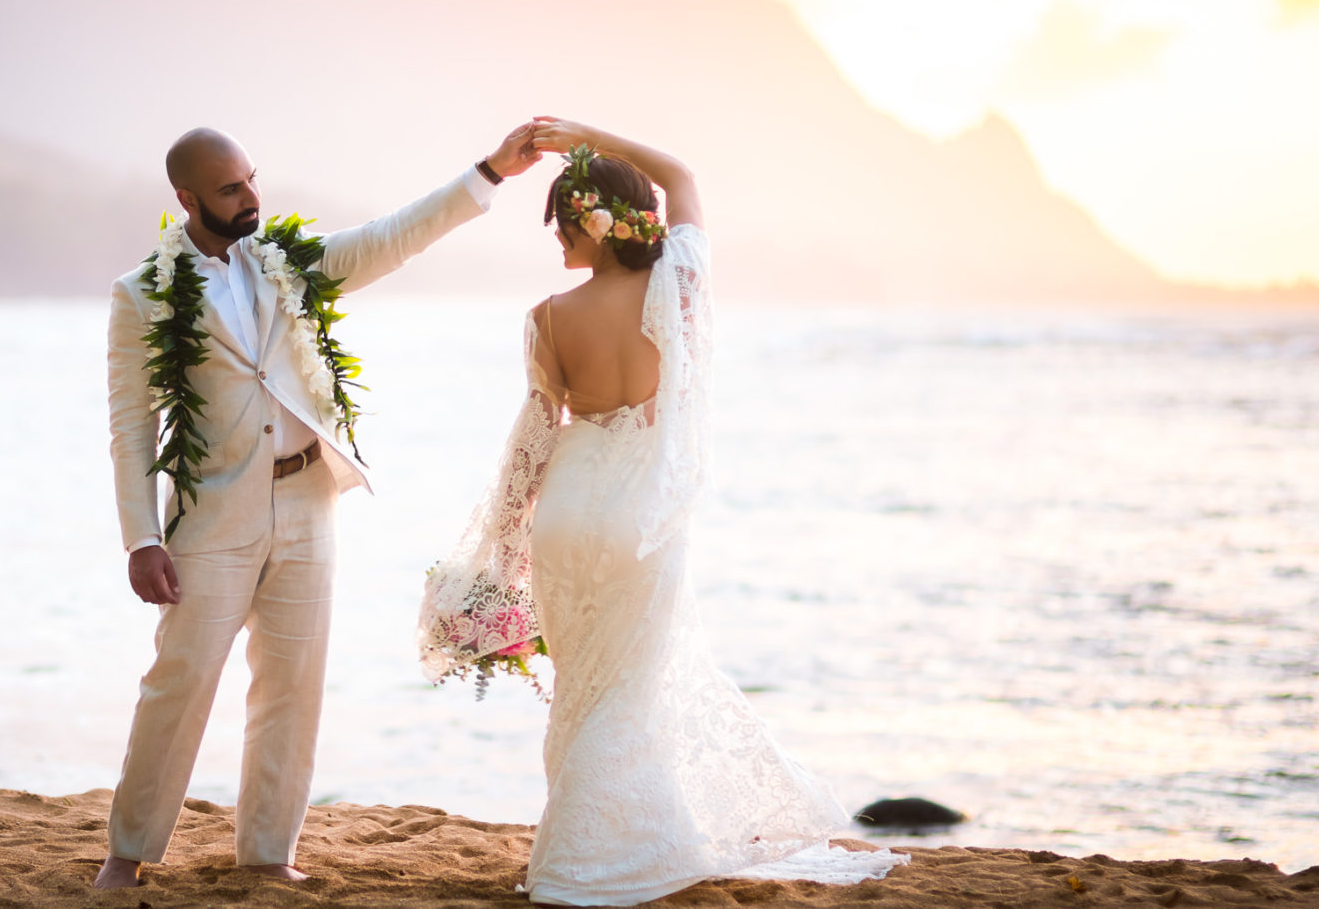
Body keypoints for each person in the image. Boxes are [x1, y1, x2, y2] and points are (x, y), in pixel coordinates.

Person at [418, 117, 909, 905]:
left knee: (581, 688)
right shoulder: (677, 285)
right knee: (625, 691)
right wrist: (589, 134)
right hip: (638, 515)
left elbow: (537, 437)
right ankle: (589, 862)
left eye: (563, 222)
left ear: (594, 220)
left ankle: (583, 848)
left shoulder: (545, 317)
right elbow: (681, 175)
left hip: (568, 514)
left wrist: (504, 536)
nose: (556, 239)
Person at [98, 124, 543, 889]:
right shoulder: (142, 294)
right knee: (180, 680)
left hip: (309, 497)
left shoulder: (289, 263)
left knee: (294, 682)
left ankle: (269, 853)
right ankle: (127, 852)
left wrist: (490, 173)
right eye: (232, 188)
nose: (251, 198)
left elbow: (391, 237)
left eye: (251, 180)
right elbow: (131, 425)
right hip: (210, 515)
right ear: (187, 198)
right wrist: (141, 538)